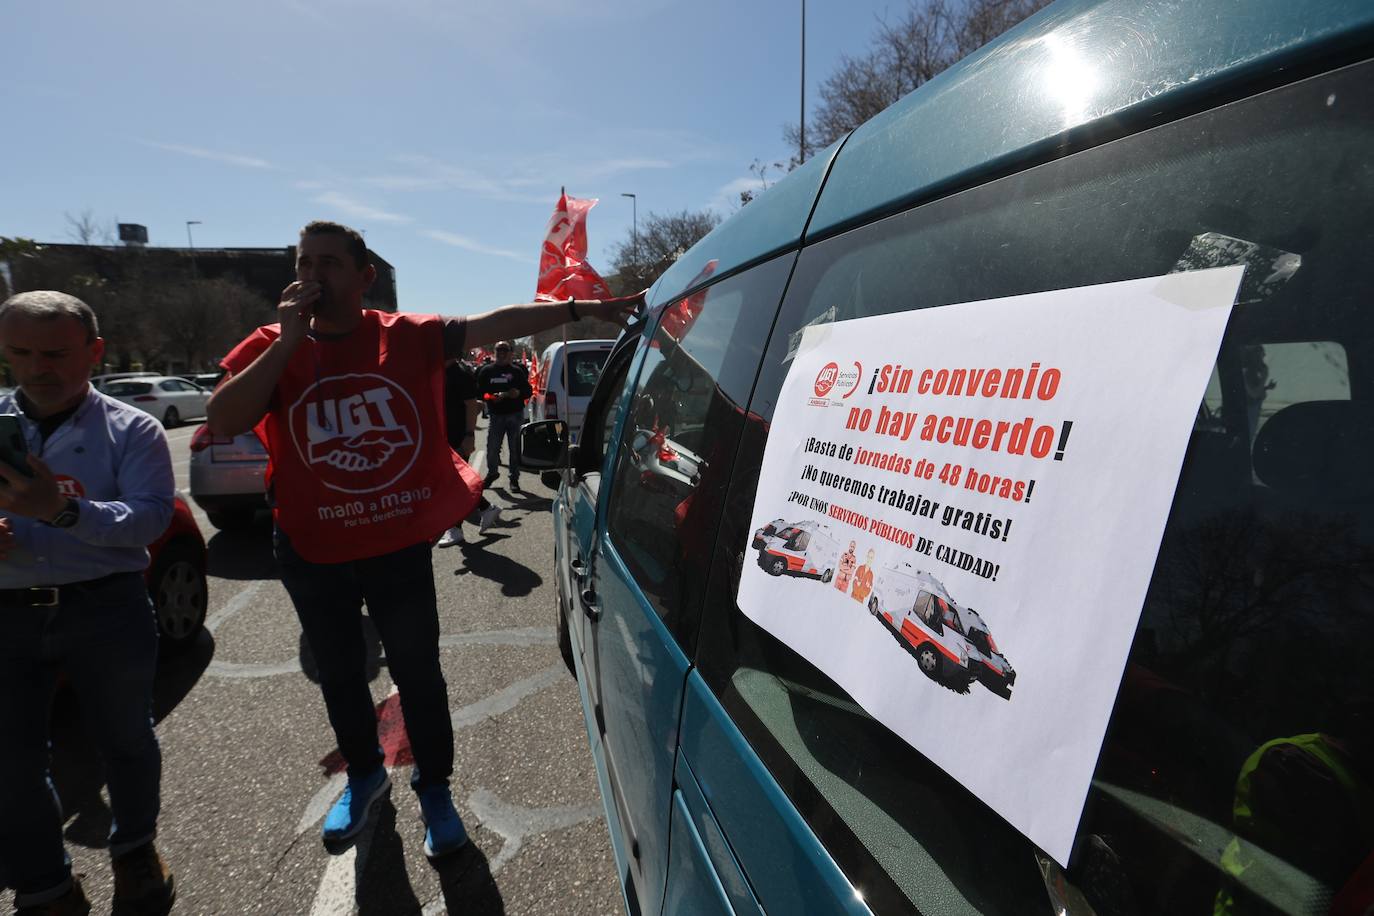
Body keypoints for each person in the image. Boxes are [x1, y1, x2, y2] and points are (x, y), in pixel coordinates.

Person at [206, 221, 639, 859]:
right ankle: (365, 774)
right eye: (304, 263)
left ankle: (434, 788)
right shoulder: (272, 344)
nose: (313, 276)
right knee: (340, 676)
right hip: (310, 549)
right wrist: (286, 346)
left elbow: (494, 322)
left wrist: (589, 308)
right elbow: (222, 419)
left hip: (394, 546)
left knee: (418, 671)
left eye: (329, 263)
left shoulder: (402, 337)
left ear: (363, 277)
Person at [0, 291, 176, 915]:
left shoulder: (132, 429)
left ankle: (134, 849)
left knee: (125, 738)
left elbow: (152, 518)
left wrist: (62, 510)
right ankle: (46, 884)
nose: (36, 368)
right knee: (11, 761)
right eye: (19, 352)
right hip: (9, 613)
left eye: (54, 353)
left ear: (94, 352)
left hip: (107, 607)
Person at [437, 357, 500, 547]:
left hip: (459, 437)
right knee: (456, 482)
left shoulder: (460, 374)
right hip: (444, 437)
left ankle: (455, 529)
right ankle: (486, 508)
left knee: (453, 483)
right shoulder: (440, 373)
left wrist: (469, 435)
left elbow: (472, 405)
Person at [476, 341, 532, 490]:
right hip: (496, 416)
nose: (501, 354)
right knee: (492, 448)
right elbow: (481, 394)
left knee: (515, 449)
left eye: (505, 351)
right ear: (494, 353)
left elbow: (528, 391)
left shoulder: (517, 371)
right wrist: (491, 397)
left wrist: (518, 393)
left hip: (515, 414)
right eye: (499, 351)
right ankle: (492, 472)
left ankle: (514, 479)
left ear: (510, 353)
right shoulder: (486, 371)